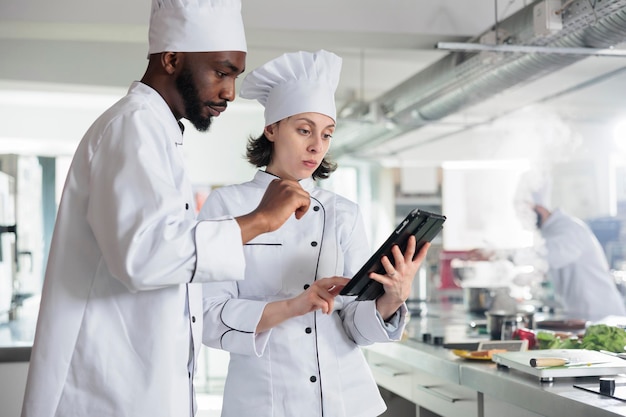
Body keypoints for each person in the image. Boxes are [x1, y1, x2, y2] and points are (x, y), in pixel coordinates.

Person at [20, 1, 312, 417]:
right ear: (172, 59)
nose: (229, 92)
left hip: (137, 387)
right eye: (221, 72)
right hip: (102, 392)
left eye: (234, 76)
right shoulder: (133, 126)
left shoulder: (158, 132)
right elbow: (145, 256)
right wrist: (259, 220)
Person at [198, 50, 431, 417]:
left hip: (345, 400)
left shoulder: (344, 213)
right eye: (304, 130)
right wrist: (295, 304)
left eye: (326, 134)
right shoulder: (227, 207)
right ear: (271, 128)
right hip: (266, 401)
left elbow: (356, 326)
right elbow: (209, 319)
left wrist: (391, 298)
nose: (316, 146)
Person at [534, 202, 626, 321]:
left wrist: (511, 259)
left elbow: (548, 256)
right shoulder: (553, 230)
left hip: (600, 313)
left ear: (539, 208)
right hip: (584, 313)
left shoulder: (569, 227)